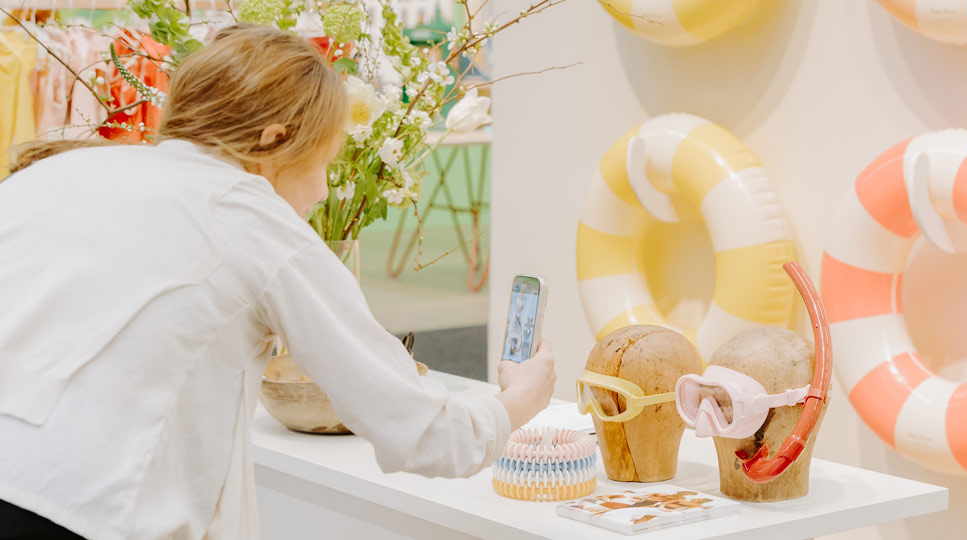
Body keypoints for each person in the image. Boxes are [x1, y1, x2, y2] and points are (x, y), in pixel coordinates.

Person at [0, 25, 556, 539]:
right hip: (86, 514)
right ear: (273, 141)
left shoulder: (56, 174)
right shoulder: (251, 218)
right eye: (325, 163)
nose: (323, 192)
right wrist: (517, 403)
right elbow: (422, 431)